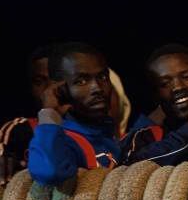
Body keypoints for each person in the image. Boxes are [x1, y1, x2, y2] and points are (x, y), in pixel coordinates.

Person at [28, 42, 120, 185]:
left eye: (102, 77)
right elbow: (49, 172)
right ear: (59, 90)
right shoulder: (65, 140)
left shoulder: (108, 135)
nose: (97, 88)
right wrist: (49, 112)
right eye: (81, 81)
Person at [121, 43, 188, 166]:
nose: (178, 87)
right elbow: (129, 168)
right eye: (165, 83)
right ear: (155, 95)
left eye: (186, 77)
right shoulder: (145, 136)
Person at [0, 45, 53, 182]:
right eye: (39, 82)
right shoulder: (19, 131)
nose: (49, 89)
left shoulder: (95, 132)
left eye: (55, 79)